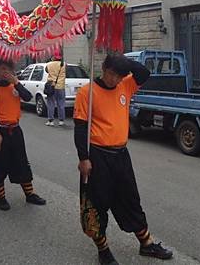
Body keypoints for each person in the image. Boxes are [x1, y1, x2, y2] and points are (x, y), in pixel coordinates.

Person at [74, 54, 173, 265]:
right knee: (97, 203)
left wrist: (125, 63)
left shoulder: (125, 85)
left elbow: (144, 74)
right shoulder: (87, 92)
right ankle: (103, 250)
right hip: (98, 157)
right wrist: (84, 158)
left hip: (121, 156)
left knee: (131, 200)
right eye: (111, 74)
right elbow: (80, 128)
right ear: (103, 68)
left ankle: (146, 244)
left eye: (119, 76)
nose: (114, 80)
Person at [0, 58, 47, 210]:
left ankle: (30, 194)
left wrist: (17, 82)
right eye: (2, 69)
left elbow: (27, 97)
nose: (5, 72)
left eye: (8, 69)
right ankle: (1, 198)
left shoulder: (16, 86)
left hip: (15, 131)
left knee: (21, 163)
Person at [44, 53, 66, 126]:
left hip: (51, 86)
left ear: (53, 57)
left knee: (51, 103)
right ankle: (61, 121)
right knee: (61, 103)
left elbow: (46, 71)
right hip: (61, 86)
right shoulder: (64, 64)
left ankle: (51, 121)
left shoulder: (48, 64)